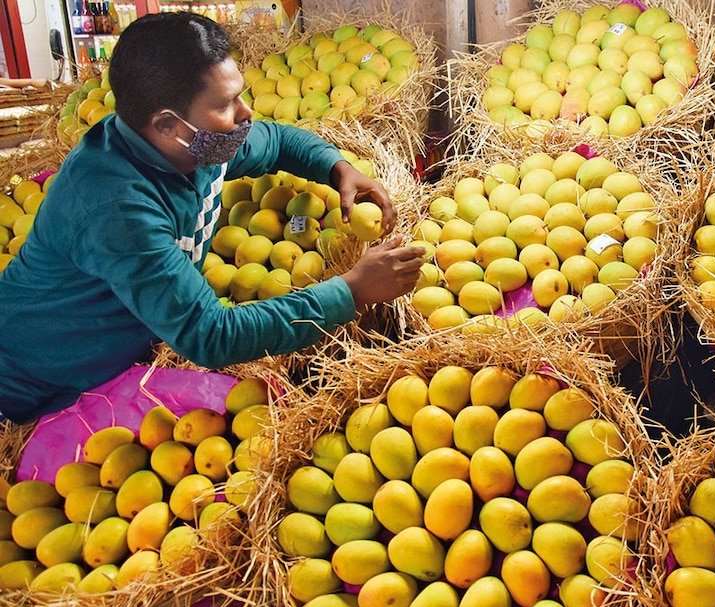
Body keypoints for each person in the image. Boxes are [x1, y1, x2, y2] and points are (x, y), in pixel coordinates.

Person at [0, 12, 425, 423]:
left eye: (240, 94)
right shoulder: (117, 206)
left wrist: (335, 167)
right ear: (168, 125)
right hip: (39, 385)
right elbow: (209, 334)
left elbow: (276, 141)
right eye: (225, 104)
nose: (246, 112)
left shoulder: (198, 143)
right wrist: (352, 291)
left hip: (117, 354)